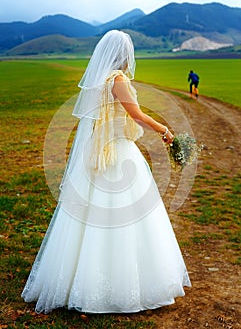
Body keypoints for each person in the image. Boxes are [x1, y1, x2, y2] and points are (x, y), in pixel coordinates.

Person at [21, 30, 191, 314]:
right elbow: (135, 115)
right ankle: (123, 287)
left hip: (100, 152)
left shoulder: (100, 81)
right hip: (118, 153)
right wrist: (164, 130)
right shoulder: (118, 81)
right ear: (124, 55)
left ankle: (79, 279)